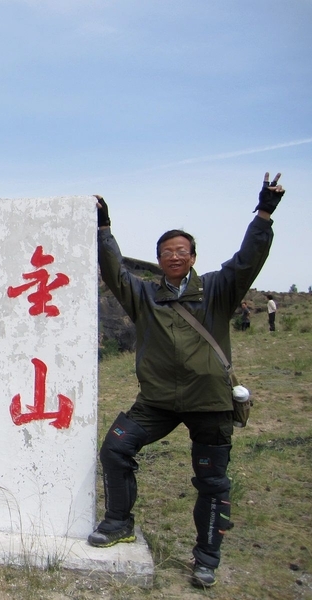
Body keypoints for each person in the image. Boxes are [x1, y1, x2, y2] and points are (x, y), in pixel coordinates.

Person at [90, 172, 285, 589]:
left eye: (181, 251)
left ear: (193, 257)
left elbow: (248, 260)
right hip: (157, 401)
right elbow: (115, 274)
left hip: (210, 403)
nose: (173, 257)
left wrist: (264, 213)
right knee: (115, 448)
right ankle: (119, 522)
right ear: (159, 259)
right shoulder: (144, 296)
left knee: (212, 482)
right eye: (166, 252)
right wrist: (105, 229)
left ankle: (206, 558)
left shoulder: (218, 289)